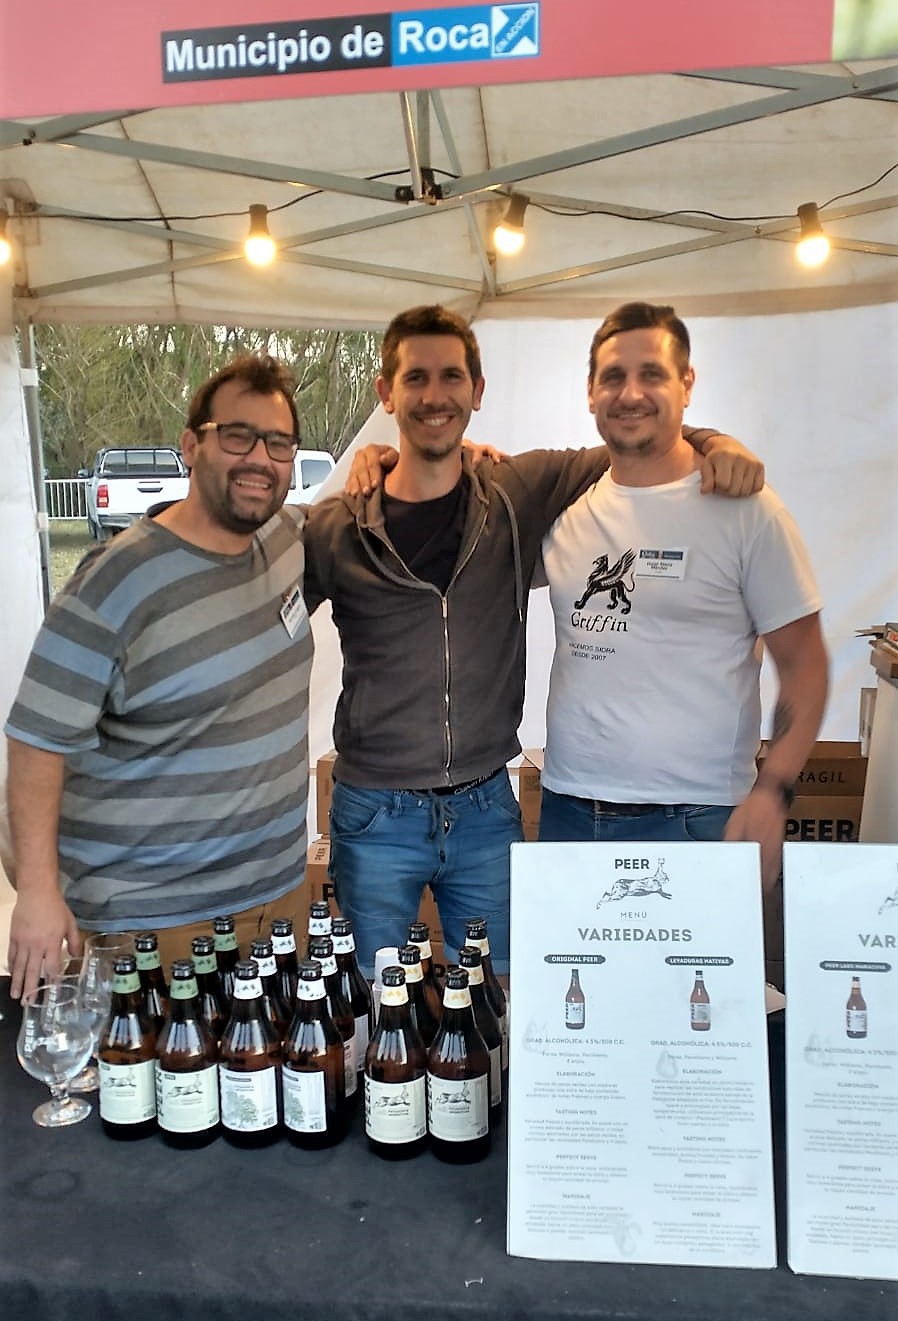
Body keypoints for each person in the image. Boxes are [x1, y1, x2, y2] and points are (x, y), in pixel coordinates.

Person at [308, 303, 763, 974]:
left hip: (485, 809)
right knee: (376, 1002)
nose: (435, 395)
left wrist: (716, 441)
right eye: (415, 378)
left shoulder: (517, 492)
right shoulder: (338, 526)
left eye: (451, 377)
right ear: (387, 392)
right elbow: (262, 615)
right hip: (374, 814)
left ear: (477, 390)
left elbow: (636, 437)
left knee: (503, 1002)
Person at [5, 354, 313, 998]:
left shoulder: (287, 540)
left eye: (278, 442)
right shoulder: (114, 581)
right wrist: (35, 891)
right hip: (149, 926)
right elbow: (37, 740)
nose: (260, 458)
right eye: (238, 436)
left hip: (274, 906)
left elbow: (372, 499)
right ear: (191, 447)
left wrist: (387, 461)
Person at [537, 302, 829, 893]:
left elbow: (805, 665)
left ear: (687, 384)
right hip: (571, 809)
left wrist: (773, 790)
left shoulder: (746, 509)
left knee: (710, 962)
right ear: (590, 392)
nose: (631, 393)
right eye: (613, 377)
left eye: (652, 374)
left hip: (701, 817)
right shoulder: (562, 506)